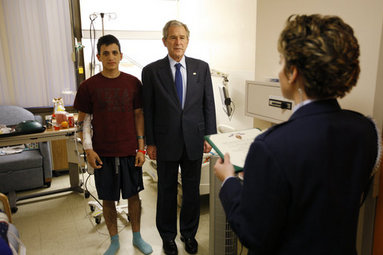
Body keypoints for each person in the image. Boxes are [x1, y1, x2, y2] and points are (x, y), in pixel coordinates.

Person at [214, 14, 381, 255]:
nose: (279, 70)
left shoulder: (270, 146)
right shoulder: (366, 130)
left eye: (281, 61)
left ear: (293, 73)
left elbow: (253, 233)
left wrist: (229, 180)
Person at [141, 20, 217, 255]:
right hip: (165, 141)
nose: (178, 42)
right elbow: (149, 109)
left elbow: (208, 104)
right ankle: (168, 237)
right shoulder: (152, 71)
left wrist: (209, 136)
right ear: (164, 41)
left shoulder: (201, 68)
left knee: (192, 191)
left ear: (187, 40)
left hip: (194, 139)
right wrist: (150, 142)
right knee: (166, 191)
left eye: (182, 37)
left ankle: (189, 234)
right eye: (173, 37)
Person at [74, 34, 152, 255]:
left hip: (129, 150)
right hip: (102, 153)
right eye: (106, 53)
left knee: (134, 197)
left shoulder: (133, 83)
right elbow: (84, 122)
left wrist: (141, 148)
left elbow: (139, 116)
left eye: (114, 52)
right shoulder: (89, 87)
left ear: (121, 55)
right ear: (98, 56)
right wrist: (88, 150)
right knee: (107, 199)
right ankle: (114, 240)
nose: (111, 57)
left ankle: (137, 237)